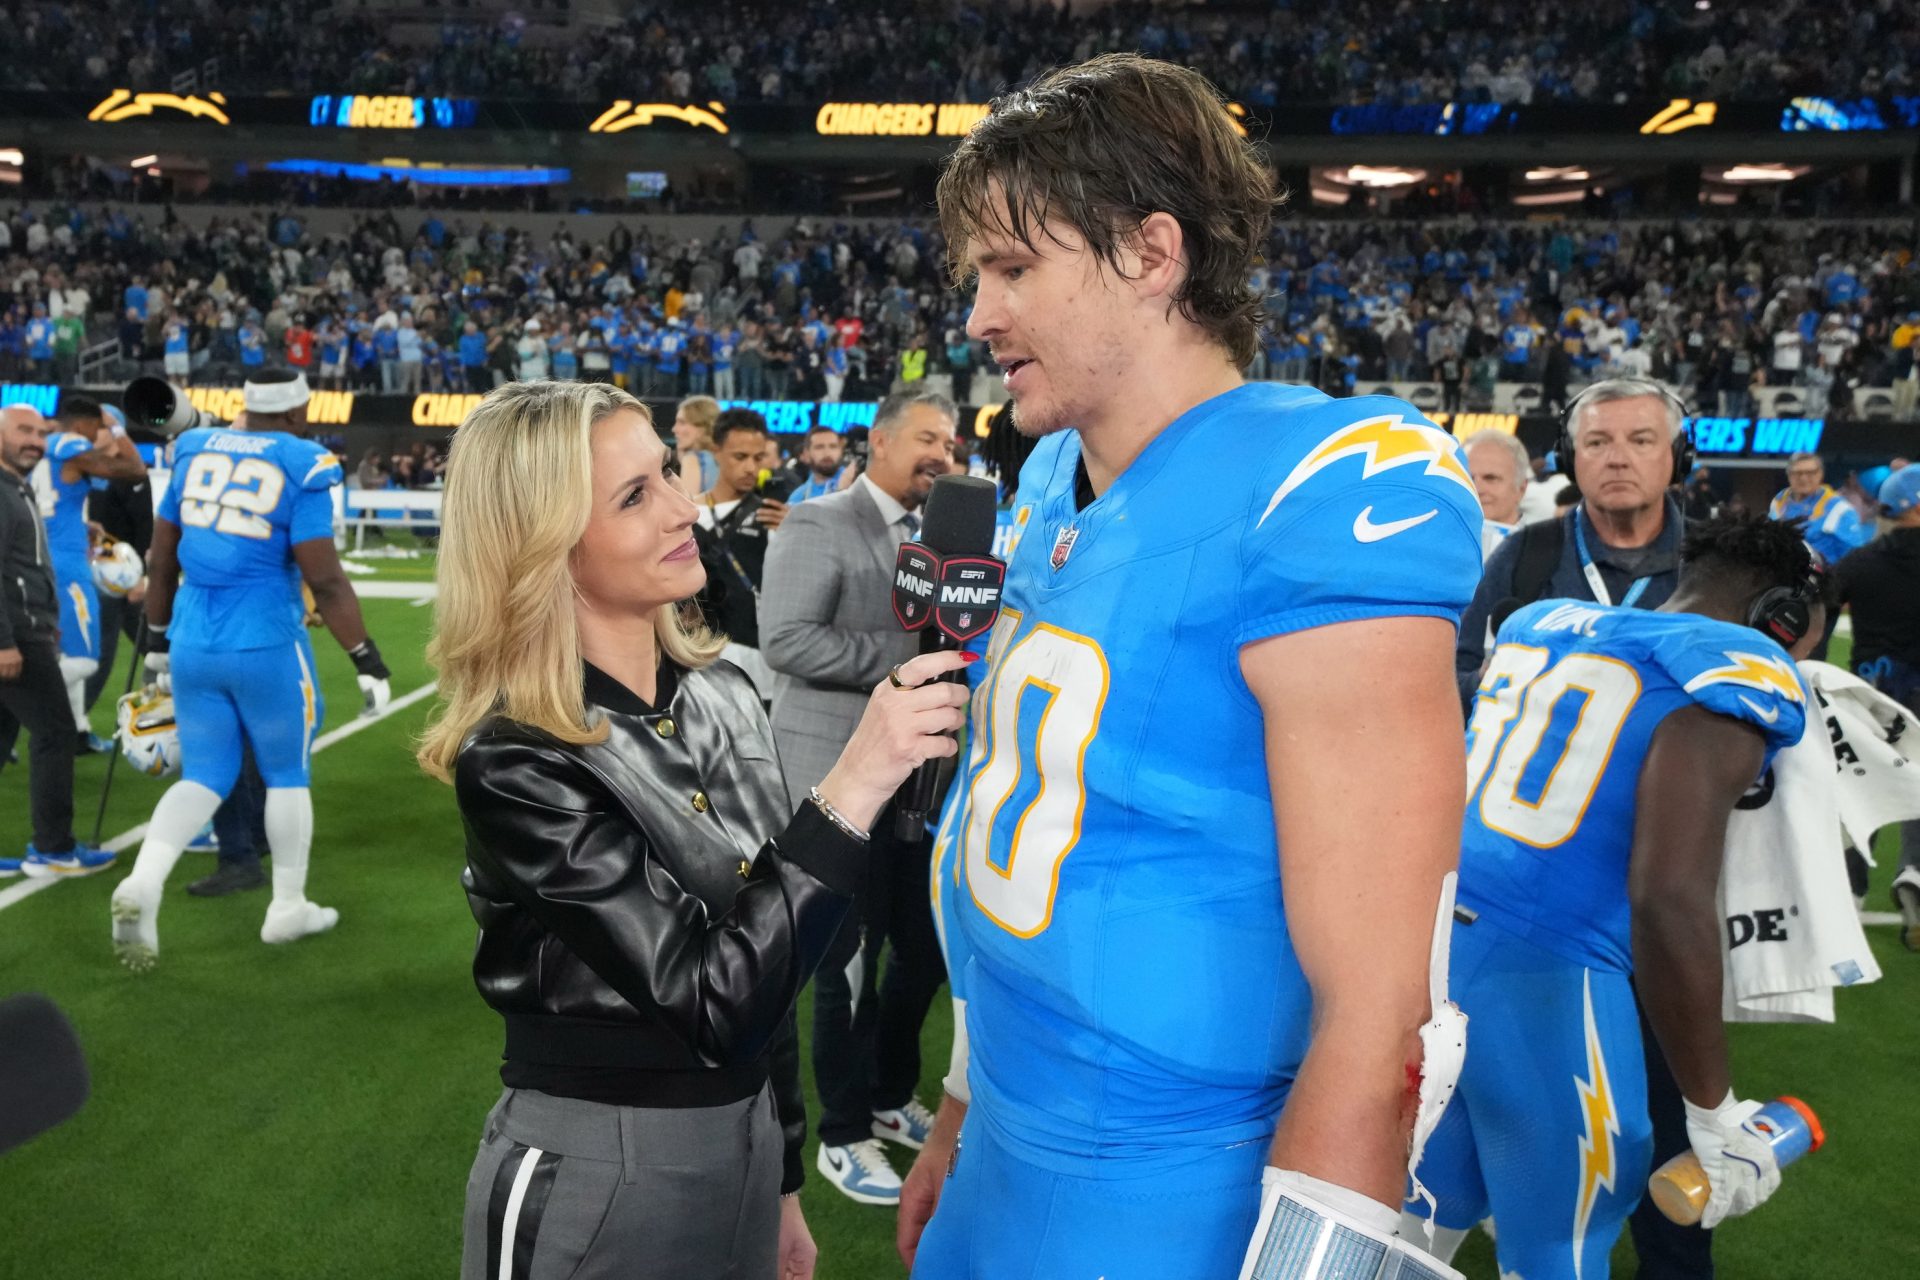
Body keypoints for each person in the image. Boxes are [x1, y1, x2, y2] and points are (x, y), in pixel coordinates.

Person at [902, 55, 1484, 1279]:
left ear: (1151, 253)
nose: (978, 316)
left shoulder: (1322, 481)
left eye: (1013, 268)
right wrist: (961, 1109)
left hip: (1173, 1189)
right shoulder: (1060, 473)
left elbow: (1384, 1015)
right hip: (1008, 1133)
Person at [413, 380, 971, 1280]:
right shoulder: (516, 760)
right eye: (635, 496)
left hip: (740, 1143)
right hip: (599, 1160)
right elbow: (715, 1000)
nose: (683, 508)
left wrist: (781, 1175)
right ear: (542, 546)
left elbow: (770, 964)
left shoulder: (723, 692)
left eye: (669, 473)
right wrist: (861, 777)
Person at [1406, 514, 1815, 1278]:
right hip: (1549, 983)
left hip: (1435, 952)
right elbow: (1667, 896)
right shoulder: (1734, 666)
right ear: (1782, 616)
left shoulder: (1545, 623)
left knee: (1421, 1220)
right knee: (1562, 1243)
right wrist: (1713, 1108)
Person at [108, 370, 394, 972]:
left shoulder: (191, 448)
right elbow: (325, 578)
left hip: (191, 638)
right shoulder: (305, 461)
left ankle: (145, 879)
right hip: (264, 637)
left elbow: (163, 561)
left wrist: (157, 643)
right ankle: (286, 906)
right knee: (287, 773)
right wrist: (366, 657)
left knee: (204, 774)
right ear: (297, 411)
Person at [759, 388, 960, 1206]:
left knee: (918, 952)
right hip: (834, 778)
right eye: (925, 437)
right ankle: (840, 1134)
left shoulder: (940, 540)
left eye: (949, 442)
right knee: (839, 965)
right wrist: (909, 658)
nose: (941, 454)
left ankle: (884, 1094)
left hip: (916, 786)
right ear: (877, 441)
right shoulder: (819, 521)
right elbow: (787, 640)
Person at [1458, 378, 1691, 706]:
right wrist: (1481, 684)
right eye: (1597, 443)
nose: (1618, 459)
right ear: (1569, 458)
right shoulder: (1521, 557)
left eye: (1641, 441)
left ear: (1678, 455)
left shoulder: (1719, 565)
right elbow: (1451, 681)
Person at [0, 405, 113, 877]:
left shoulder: (18, 487)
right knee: (55, 733)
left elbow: (25, 563)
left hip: (29, 626)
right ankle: (53, 849)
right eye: (23, 431)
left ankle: (52, 846)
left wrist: (48, 617)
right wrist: (6, 641)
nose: (35, 440)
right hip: (14, 637)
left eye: (41, 433)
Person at [1834, 466, 1920, 945]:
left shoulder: (1860, 561)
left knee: (1860, 794)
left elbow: (1817, 612)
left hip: (1873, 693)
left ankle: (1850, 892)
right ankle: (1915, 874)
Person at [42, 395, 147, 752]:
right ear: (85, 424)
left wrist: (76, 523)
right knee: (84, 660)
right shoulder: (70, 443)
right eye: (99, 426)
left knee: (62, 653)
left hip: (43, 554)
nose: (99, 434)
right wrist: (117, 427)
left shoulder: (40, 444)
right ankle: (17, 703)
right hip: (66, 566)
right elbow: (135, 468)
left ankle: (75, 733)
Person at [693, 408, 787, 702]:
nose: (751, 468)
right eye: (740, 457)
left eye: (758, 458)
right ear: (716, 452)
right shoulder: (686, 514)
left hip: (758, 665)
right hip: (695, 654)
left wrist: (792, 533)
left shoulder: (775, 517)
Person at [1769, 451, 1867, 567]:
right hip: (1783, 575)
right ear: (1789, 475)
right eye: (1797, 473)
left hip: (1824, 579)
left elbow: (1855, 559)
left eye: (1810, 473)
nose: (1803, 478)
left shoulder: (1840, 509)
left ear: (1820, 474)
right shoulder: (1779, 501)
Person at [1461, 427, 1530, 561]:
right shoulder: (1435, 545)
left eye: (1490, 478)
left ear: (1521, 489)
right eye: (1469, 478)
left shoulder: (1545, 551)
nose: (1477, 489)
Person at [671, 394, 721, 499]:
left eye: (682, 422)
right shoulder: (724, 457)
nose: (674, 429)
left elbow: (688, 508)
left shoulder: (693, 459)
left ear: (702, 427)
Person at [789, 425, 846, 503]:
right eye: (819, 447)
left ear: (840, 451)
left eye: (833, 446)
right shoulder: (797, 497)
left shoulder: (855, 486)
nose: (827, 453)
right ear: (806, 453)